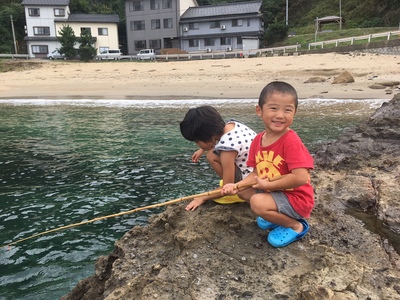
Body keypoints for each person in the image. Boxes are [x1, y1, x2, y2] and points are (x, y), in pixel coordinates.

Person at [222, 81, 314, 248]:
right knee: (243, 191)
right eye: (273, 108)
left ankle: (295, 225)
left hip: (297, 199)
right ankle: (275, 213)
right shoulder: (258, 140)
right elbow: (256, 172)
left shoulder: (291, 141)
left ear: (295, 113)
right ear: (259, 110)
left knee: (257, 202)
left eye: (287, 110)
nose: (280, 115)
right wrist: (236, 185)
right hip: (276, 192)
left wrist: (267, 184)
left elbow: (301, 177)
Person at [180, 105, 257, 211]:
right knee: (212, 151)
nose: (196, 145)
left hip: (252, 178)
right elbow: (218, 140)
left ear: (210, 137)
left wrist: (203, 197)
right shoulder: (232, 125)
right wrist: (202, 149)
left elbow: (226, 186)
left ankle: (240, 186)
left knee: (212, 155)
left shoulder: (227, 150)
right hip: (261, 168)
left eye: (197, 141)